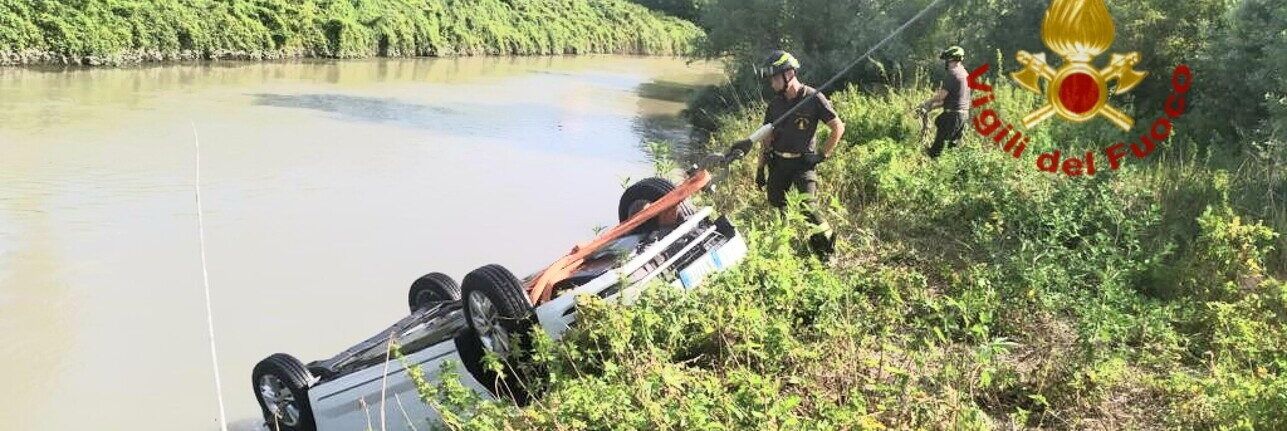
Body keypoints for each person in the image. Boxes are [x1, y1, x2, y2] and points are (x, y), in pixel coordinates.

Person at [754, 50, 846, 256]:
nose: (772, 84)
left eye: (775, 79)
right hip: (778, 164)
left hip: (803, 164)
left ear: (789, 74)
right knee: (777, 206)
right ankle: (782, 247)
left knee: (809, 208)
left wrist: (822, 155)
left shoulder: (813, 98)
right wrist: (760, 169)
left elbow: (837, 128)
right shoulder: (775, 105)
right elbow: (766, 139)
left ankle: (827, 249)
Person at [916, 45, 971, 159]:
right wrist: (931, 107)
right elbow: (953, 100)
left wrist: (926, 102)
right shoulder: (964, 74)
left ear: (950, 60)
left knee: (937, 150)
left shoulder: (953, 74)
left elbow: (942, 96)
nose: (945, 63)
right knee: (951, 149)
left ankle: (933, 171)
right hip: (963, 115)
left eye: (946, 60)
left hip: (952, 117)